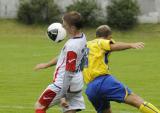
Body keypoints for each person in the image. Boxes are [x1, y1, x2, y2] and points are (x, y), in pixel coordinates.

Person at [83, 25, 160, 113]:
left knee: (106, 111)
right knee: (137, 101)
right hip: (103, 81)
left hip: (90, 88)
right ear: (109, 37)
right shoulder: (101, 42)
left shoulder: (87, 45)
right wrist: (131, 45)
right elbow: (114, 46)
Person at [34, 11, 86, 113]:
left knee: (40, 106)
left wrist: (63, 95)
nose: (62, 27)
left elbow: (69, 72)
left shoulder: (72, 46)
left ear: (72, 28)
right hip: (77, 83)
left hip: (62, 84)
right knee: (69, 110)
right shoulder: (83, 37)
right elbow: (68, 58)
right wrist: (46, 65)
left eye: (65, 25)